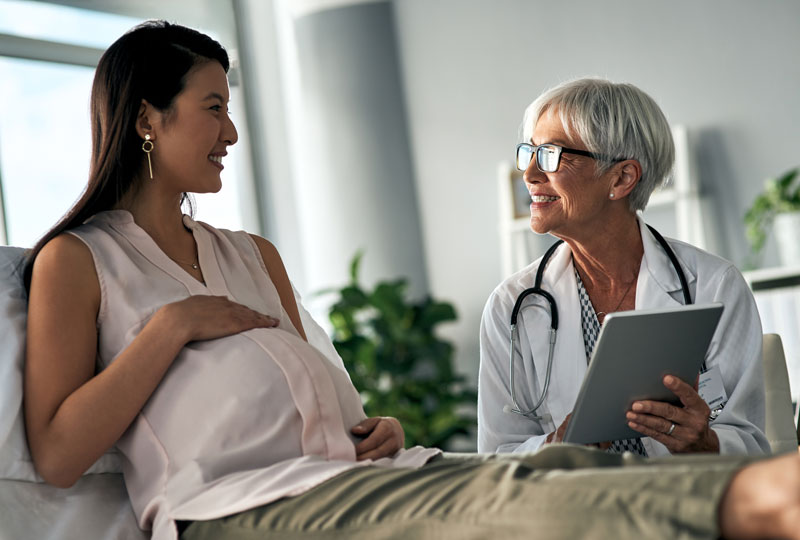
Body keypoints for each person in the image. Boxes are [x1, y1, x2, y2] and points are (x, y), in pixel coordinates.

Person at [21, 22, 799, 540]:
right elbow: (56, 453)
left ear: (626, 177)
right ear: (148, 118)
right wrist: (170, 328)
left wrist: (373, 432)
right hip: (233, 504)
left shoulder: (253, 255)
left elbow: (332, 409)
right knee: (504, 501)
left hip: (345, 477)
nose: (230, 132)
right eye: (213, 107)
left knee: (558, 472)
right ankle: (755, 503)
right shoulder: (80, 261)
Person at [478, 78, 770, 457]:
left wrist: (706, 443)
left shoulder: (715, 287)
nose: (529, 174)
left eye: (549, 154)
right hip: (573, 509)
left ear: (621, 178)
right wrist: (553, 448)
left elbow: (751, 446)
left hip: (688, 505)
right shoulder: (511, 306)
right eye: (528, 152)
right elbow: (497, 455)